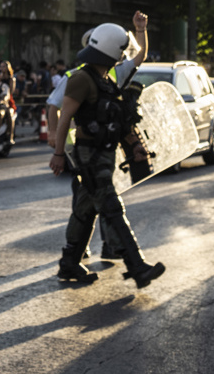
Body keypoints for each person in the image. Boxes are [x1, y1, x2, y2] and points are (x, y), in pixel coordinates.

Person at [48, 23, 165, 287]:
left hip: (105, 155)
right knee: (111, 207)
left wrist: (133, 145)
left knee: (85, 210)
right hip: (88, 156)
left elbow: (118, 120)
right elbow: (65, 115)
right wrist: (58, 153)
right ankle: (137, 267)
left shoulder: (107, 80)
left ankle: (69, 263)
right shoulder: (81, 79)